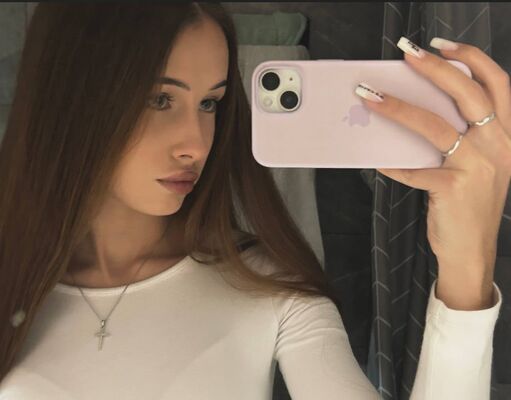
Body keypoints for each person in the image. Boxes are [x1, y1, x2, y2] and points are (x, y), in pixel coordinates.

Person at [0, 3, 506, 400]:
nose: (196, 144)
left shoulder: (269, 289)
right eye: (160, 99)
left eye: (210, 103)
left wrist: (468, 267)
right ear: (72, 99)